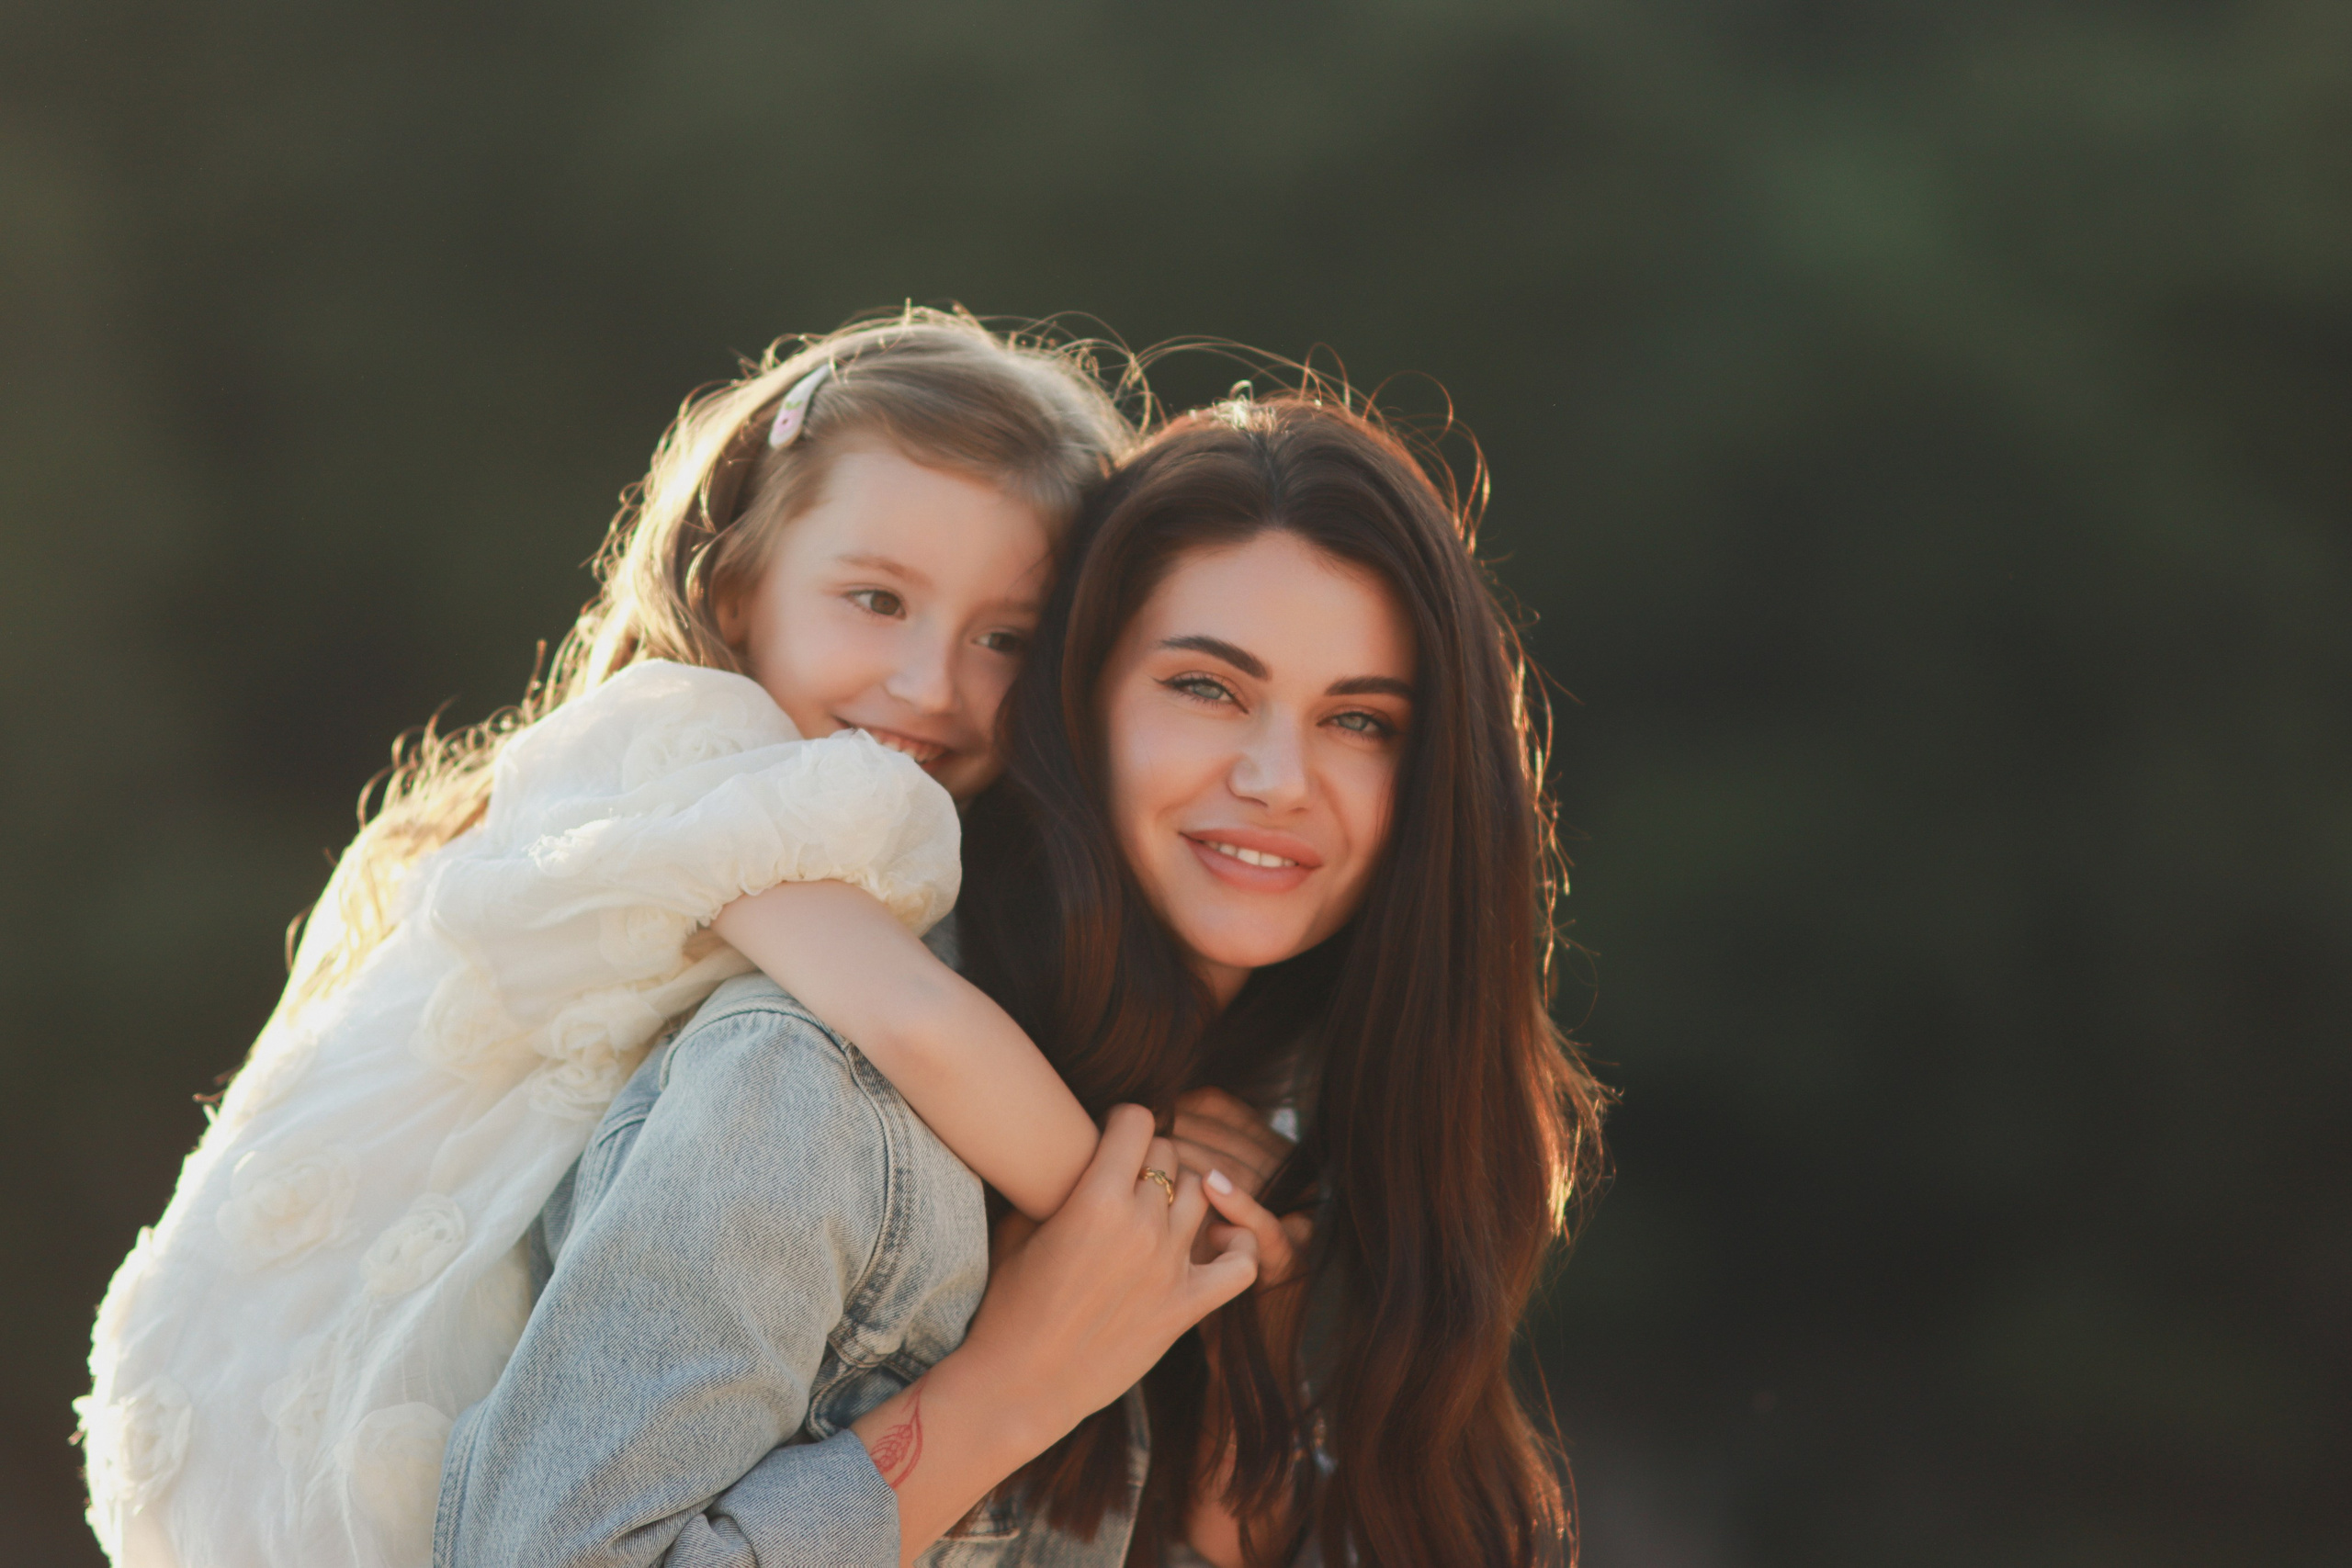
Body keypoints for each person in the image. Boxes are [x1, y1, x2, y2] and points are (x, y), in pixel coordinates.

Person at [80, 310, 1232, 1568]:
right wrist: (1144, 1231)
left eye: (1004, 636)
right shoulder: (697, 760)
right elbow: (916, 1022)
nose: (930, 679)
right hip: (315, 1398)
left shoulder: (836, 820)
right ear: (736, 589)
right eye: (875, 599)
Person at [442, 392, 1609, 1566]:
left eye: (1358, 720)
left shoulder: (1270, 1152)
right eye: (1206, 687)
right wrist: (1006, 1392)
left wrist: (1236, 1382)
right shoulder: (811, 1089)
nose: (1275, 777)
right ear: (1071, 698)